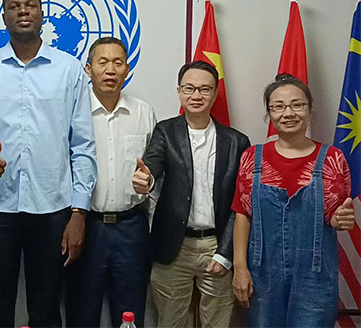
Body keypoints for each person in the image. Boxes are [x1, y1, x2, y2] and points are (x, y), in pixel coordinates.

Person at [0, 0, 97, 328]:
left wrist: (79, 212)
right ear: (4, 16)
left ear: (42, 14)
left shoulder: (69, 70)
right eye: (14, 6)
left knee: (47, 309)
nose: (23, 11)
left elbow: (82, 145)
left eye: (30, 5)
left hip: (53, 207)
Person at [232, 74, 354, 327]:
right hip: (263, 274)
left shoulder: (333, 159)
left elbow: (335, 216)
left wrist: (341, 219)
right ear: (269, 113)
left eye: (297, 105)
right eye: (278, 106)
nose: (288, 113)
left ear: (309, 109)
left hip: (315, 275)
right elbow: (242, 214)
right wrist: (240, 268)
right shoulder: (251, 158)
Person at [134, 60, 250, 327]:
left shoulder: (237, 142)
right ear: (179, 92)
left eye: (204, 89)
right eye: (189, 88)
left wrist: (225, 253)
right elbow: (152, 164)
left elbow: (241, 204)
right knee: (170, 322)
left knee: (217, 323)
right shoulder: (166, 131)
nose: (196, 95)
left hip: (217, 245)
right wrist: (146, 179)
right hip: (174, 246)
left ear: (215, 93)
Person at [65, 37, 156, 328]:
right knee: (82, 312)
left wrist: (150, 181)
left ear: (127, 69)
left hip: (131, 228)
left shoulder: (143, 112)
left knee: (130, 314)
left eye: (118, 63)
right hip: (85, 226)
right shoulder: (72, 112)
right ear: (88, 69)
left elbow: (155, 170)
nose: (110, 70)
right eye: (102, 62)